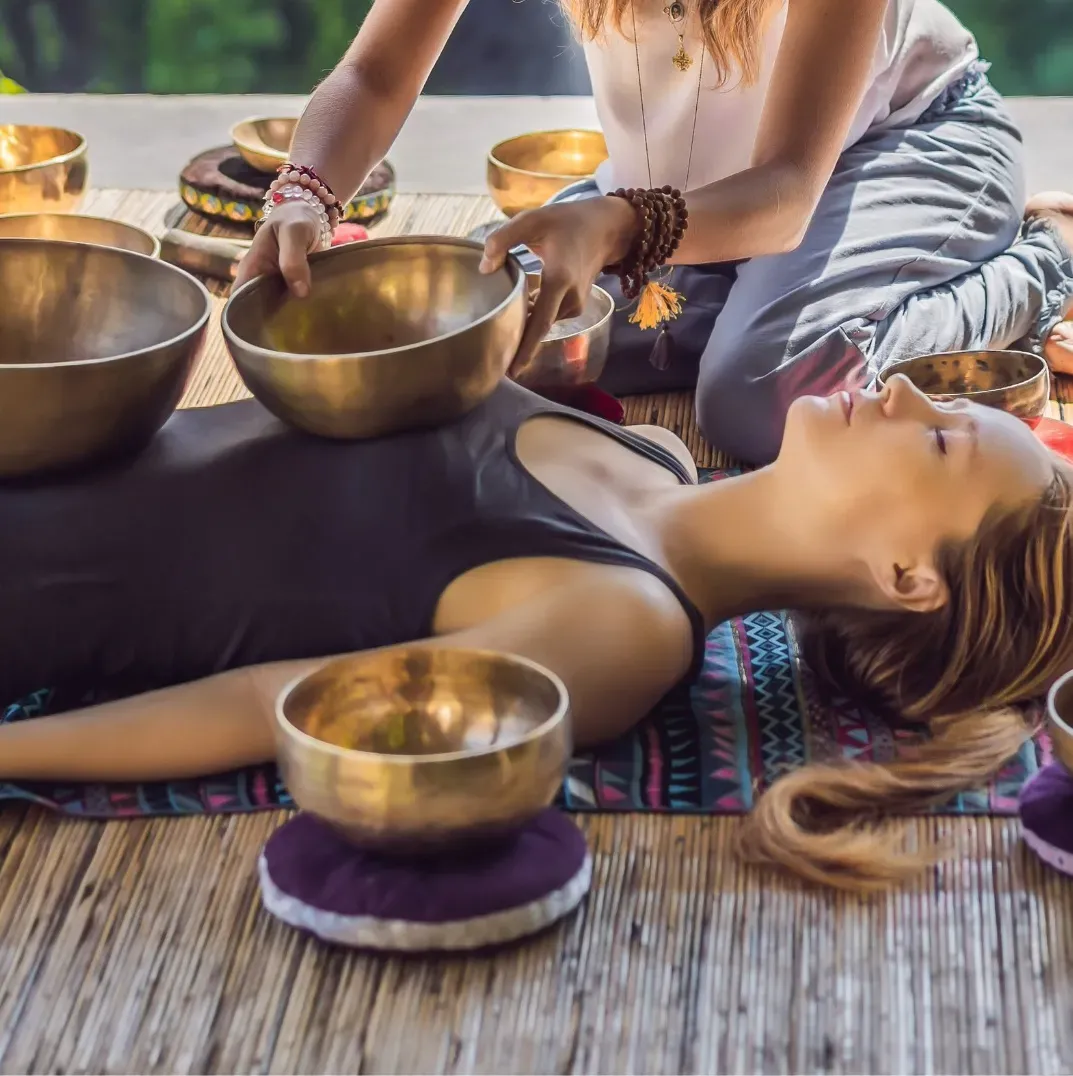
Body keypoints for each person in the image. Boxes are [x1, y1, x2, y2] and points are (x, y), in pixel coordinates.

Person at [0, 375, 1070, 890]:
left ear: (904, 578)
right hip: (53, 433)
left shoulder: (624, 626)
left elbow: (271, 707)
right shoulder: (650, 453)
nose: (898, 389)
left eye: (936, 438)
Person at [234, 0, 1073, 465]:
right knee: (469, 334)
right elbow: (374, 74)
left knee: (760, 398)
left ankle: (1044, 256)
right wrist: (303, 194)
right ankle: (746, 297)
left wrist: (616, 227)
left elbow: (784, 190)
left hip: (895, 147)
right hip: (684, 198)